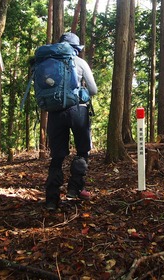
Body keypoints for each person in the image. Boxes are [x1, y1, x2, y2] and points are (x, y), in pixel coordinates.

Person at [45, 32, 98, 211]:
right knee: (82, 151)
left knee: (57, 156)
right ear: (76, 49)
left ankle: (52, 199)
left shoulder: (48, 61)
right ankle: (74, 190)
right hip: (78, 110)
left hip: (54, 113)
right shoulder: (80, 62)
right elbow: (93, 89)